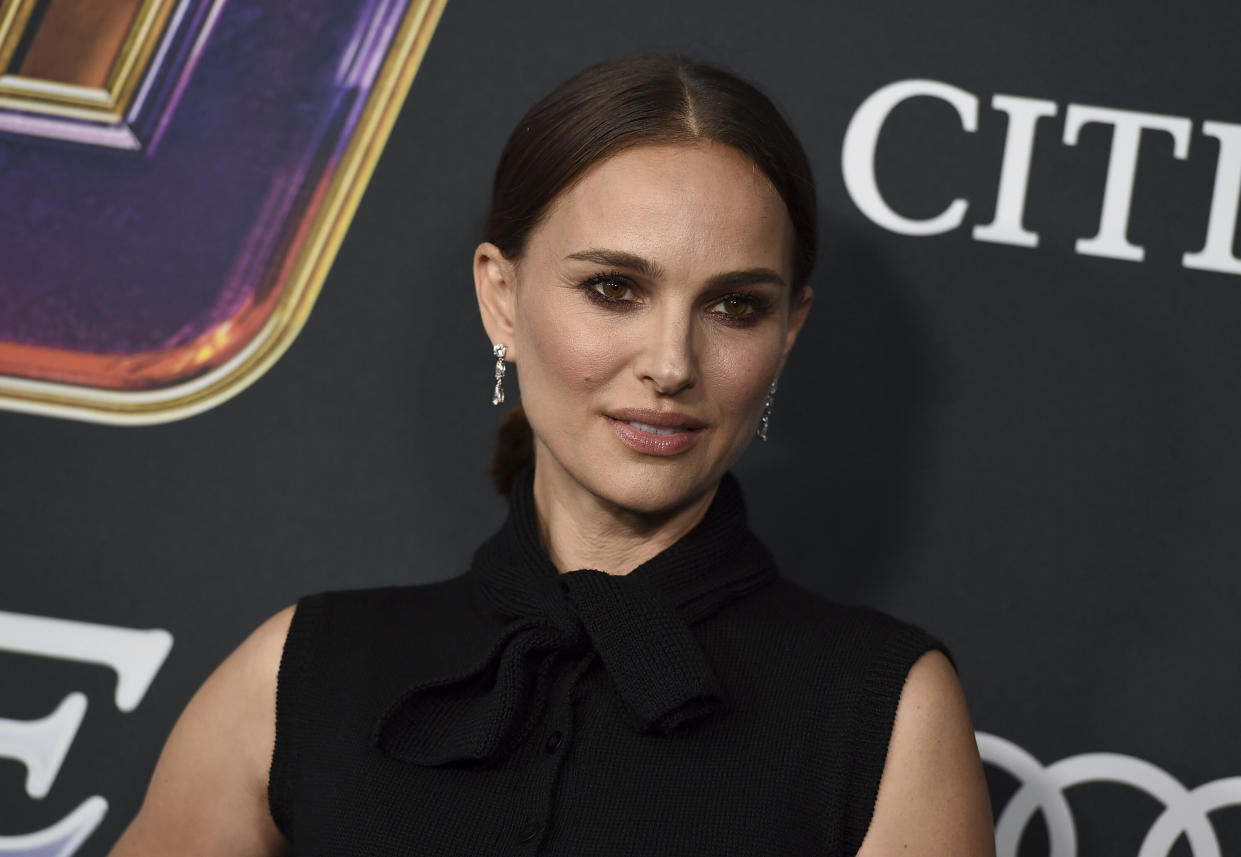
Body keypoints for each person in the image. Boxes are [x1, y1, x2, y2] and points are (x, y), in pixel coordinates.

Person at [108, 56, 994, 856]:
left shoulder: (883, 711)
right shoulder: (302, 670)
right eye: (614, 289)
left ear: (788, 332)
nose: (672, 364)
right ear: (501, 296)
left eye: (734, 307)